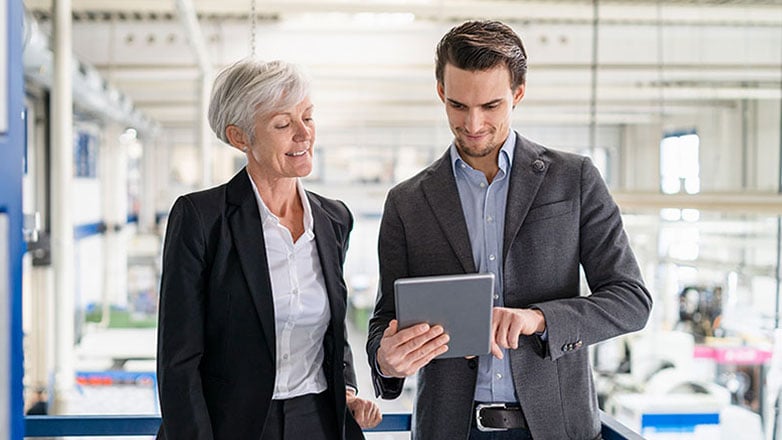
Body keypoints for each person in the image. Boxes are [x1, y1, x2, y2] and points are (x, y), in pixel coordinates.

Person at [366, 20, 652, 440]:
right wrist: (385, 361)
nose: (474, 123)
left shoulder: (573, 179)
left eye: (491, 106)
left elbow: (631, 300)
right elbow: (384, 321)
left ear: (517, 94)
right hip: (450, 429)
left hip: (556, 428)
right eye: (458, 106)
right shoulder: (407, 202)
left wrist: (539, 319)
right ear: (441, 93)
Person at [157, 58, 381, 440]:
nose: (303, 134)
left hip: (318, 421)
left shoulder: (334, 219)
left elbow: (333, 331)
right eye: (282, 124)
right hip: (230, 425)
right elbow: (179, 362)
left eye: (307, 118)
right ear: (240, 137)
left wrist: (346, 389)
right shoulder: (201, 218)